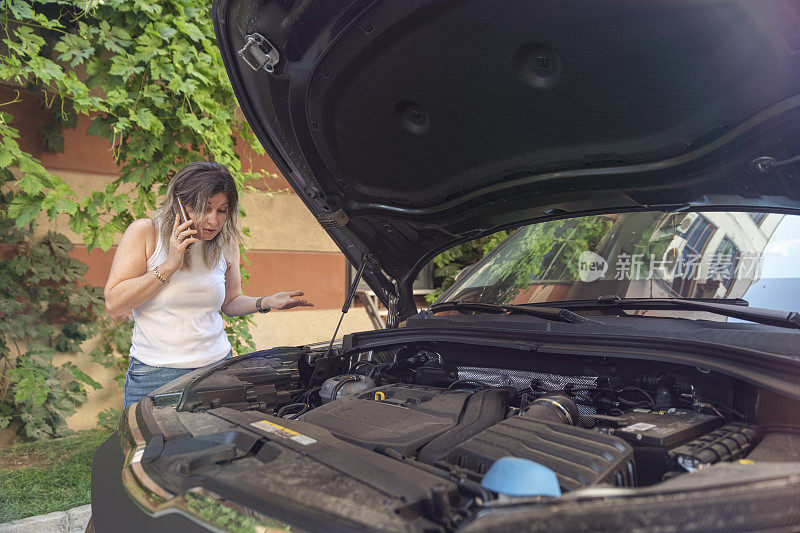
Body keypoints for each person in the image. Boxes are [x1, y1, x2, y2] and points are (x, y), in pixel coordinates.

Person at [104, 161, 313, 409]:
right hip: (156, 375)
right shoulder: (146, 232)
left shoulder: (226, 243)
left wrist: (266, 302)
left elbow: (231, 302)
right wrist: (170, 263)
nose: (213, 221)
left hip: (217, 370)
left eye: (222, 210)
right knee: (153, 448)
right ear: (180, 203)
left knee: (218, 446)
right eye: (205, 208)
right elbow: (114, 303)